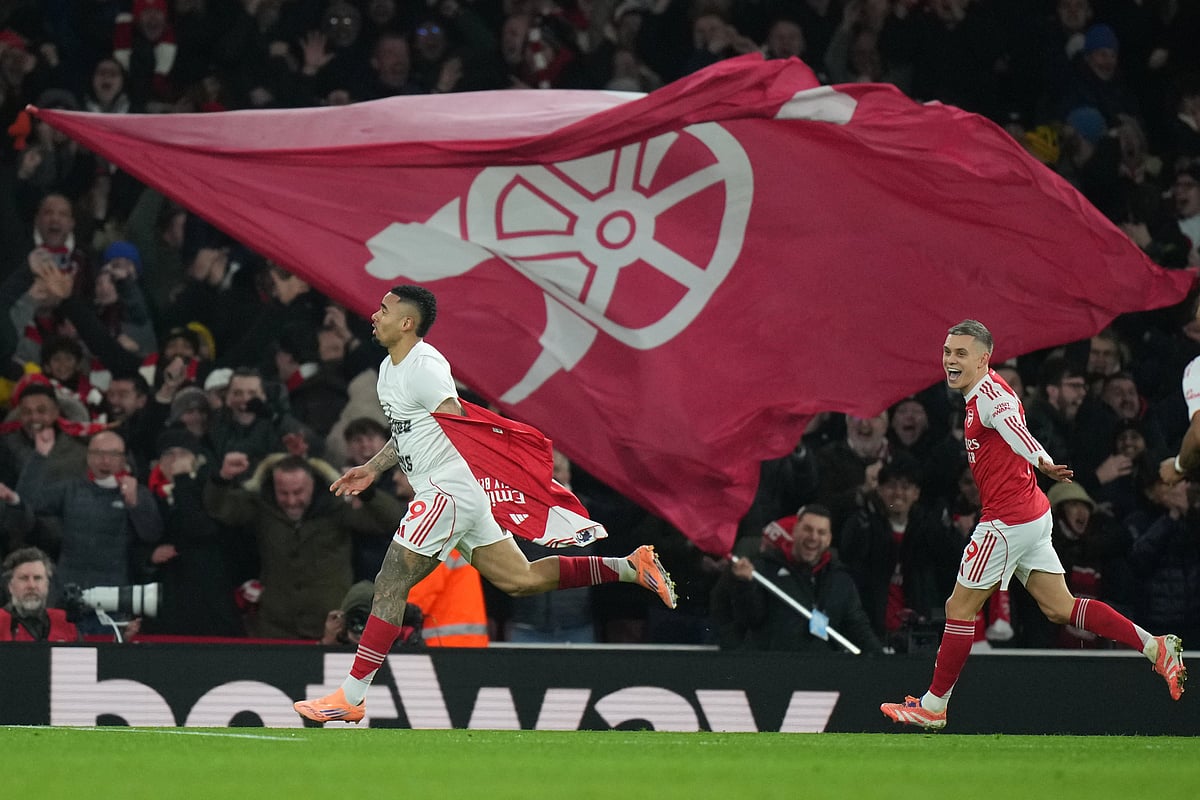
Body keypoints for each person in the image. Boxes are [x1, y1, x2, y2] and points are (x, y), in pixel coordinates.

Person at [294, 285, 676, 723]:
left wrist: (503, 470)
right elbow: (408, 431)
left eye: (384, 309)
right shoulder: (387, 369)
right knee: (521, 579)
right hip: (458, 493)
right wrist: (374, 468)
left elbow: (456, 418)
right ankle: (631, 567)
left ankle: (351, 695)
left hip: (448, 489)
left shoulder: (425, 365)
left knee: (390, 580)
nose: (374, 315)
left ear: (407, 323)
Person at [881, 320, 1186, 731]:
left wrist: (1042, 460)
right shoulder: (977, 393)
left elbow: (1015, 430)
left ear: (983, 358)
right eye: (948, 352)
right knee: (1060, 607)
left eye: (961, 354)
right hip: (1030, 513)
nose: (951, 361)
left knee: (959, 608)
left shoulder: (989, 396)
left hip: (1008, 519)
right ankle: (1156, 647)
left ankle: (934, 706)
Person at [712, 504, 882, 654]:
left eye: (821, 532)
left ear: (829, 539)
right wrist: (744, 586)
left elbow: (857, 627)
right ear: (794, 531)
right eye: (807, 529)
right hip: (774, 671)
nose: (813, 537)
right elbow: (749, 618)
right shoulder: (763, 568)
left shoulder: (840, 580)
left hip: (823, 675)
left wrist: (884, 663)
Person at [0, 547, 80, 642]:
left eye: (37, 578)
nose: (31, 585)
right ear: (11, 586)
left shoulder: (66, 623)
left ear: (47, 585)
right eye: (24, 578)